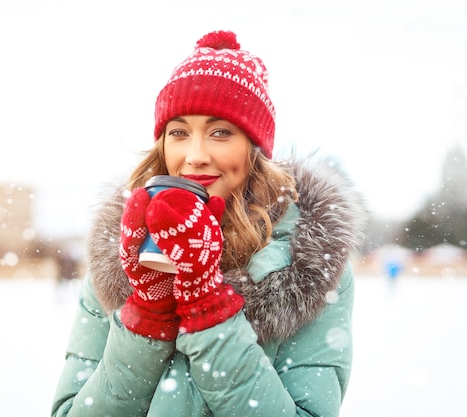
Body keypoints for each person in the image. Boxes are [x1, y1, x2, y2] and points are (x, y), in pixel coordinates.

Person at [51, 30, 367, 416]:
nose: (195, 155)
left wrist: (209, 308)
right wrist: (146, 317)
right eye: (179, 133)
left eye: (220, 132)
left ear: (254, 147)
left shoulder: (311, 266)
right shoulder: (122, 254)